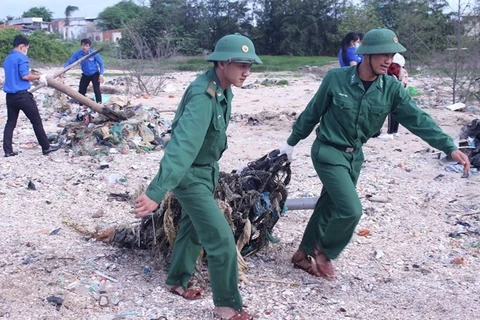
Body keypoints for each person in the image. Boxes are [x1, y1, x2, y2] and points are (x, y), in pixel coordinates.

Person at [278, 28, 470, 279]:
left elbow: (418, 119)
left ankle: (302, 255)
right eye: (382, 54)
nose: (388, 60)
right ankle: (324, 252)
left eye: (391, 54)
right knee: (351, 209)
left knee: (329, 205)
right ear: (366, 54)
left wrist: (449, 146)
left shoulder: (391, 88)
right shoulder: (336, 79)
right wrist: (290, 144)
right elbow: (312, 113)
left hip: (354, 156)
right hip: (327, 151)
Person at [133, 33, 261, 320]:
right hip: (189, 175)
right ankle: (228, 307)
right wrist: (156, 191)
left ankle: (176, 280)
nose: (247, 72)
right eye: (241, 65)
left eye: (250, 65)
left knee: (192, 228)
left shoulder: (223, 88)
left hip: (206, 172)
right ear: (223, 62)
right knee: (221, 240)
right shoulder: (204, 96)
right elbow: (182, 146)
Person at [2, 35, 61, 157]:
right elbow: (24, 75)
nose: (26, 50)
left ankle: (8, 150)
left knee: (10, 122)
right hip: (23, 96)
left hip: (10, 96)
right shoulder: (21, 58)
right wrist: (40, 77)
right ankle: (46, 147)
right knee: (36, 121)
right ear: (21, 46)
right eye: (26, 48)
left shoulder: (7, 59)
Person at [64, 38, 105, 104]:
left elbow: (101, 64)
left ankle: (99, 105)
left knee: (96, 90)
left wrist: (101, 74)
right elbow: (70, 62)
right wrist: (64, 70)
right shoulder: (78, 54)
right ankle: (81, 106)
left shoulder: (94, 53)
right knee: (81, 91)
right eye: (83, 45)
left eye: (86, 46)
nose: (84, 47)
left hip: (94, 74)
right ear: (81, 46)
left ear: (89, 46)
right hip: (85, 74)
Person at [378, 53, 408, 139]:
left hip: (393, 87)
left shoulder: (392, 62)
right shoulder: (400, 58)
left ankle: (390, 132)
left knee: (391, 110)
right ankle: (395, 131)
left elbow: (389, 74)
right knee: (396, 109)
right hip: (401, 85)